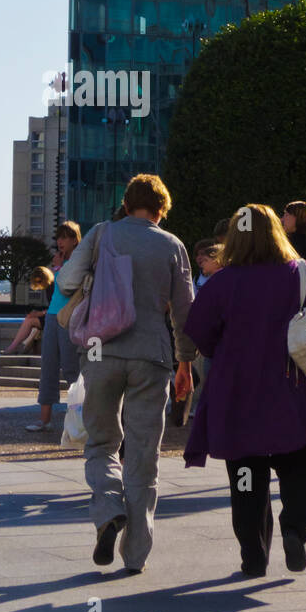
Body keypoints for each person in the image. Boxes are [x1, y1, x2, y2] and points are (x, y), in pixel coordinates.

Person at [181, 204, 306, 578]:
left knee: (246, 478)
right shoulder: (301, 273)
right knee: (299, 464)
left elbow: (200, 333)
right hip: (293, 387)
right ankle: (294, 529)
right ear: (277, 233)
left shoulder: (222, 282)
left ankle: (254, 555)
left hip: (237, 393)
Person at [57, 174, 196, 575]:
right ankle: (135, 555)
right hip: (152, 354)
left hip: (102, 350)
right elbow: (185, 310)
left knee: (101, 443)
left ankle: (107, 511)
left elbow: (66, 281)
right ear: (161, 207)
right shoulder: (172, 246)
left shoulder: (102, 234)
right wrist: (185, 361)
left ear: (127, 201)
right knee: (143, 453)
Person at [26, 221, 82, 432]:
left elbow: (69, 289)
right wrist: (55, 269)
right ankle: (44, 419)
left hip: (69, 318)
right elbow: (52, 294)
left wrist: (58, 269)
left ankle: (79, 419)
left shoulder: (79, 261)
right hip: (51, 316)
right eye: (59, 237)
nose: (60, 242)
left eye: (65, 237)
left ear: (75, 239)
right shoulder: (59, 261)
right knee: (48, 366)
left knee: (71, 367)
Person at [189, 240, 221, 417]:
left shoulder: (220, 282)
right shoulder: (199, 278)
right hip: (207, 341)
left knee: (210, 377)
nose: (201, 261)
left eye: (206, 258)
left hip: (215, 342)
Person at [2, 267, 54, 354]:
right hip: (52, 315)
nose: (38, 285)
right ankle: (15, 347)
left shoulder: (52, 287)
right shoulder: (50, 286)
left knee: (30, 321)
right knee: (29, 319)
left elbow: (55, 307)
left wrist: (39, 313)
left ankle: (13, 347)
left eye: (39, 282)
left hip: (56, 317)